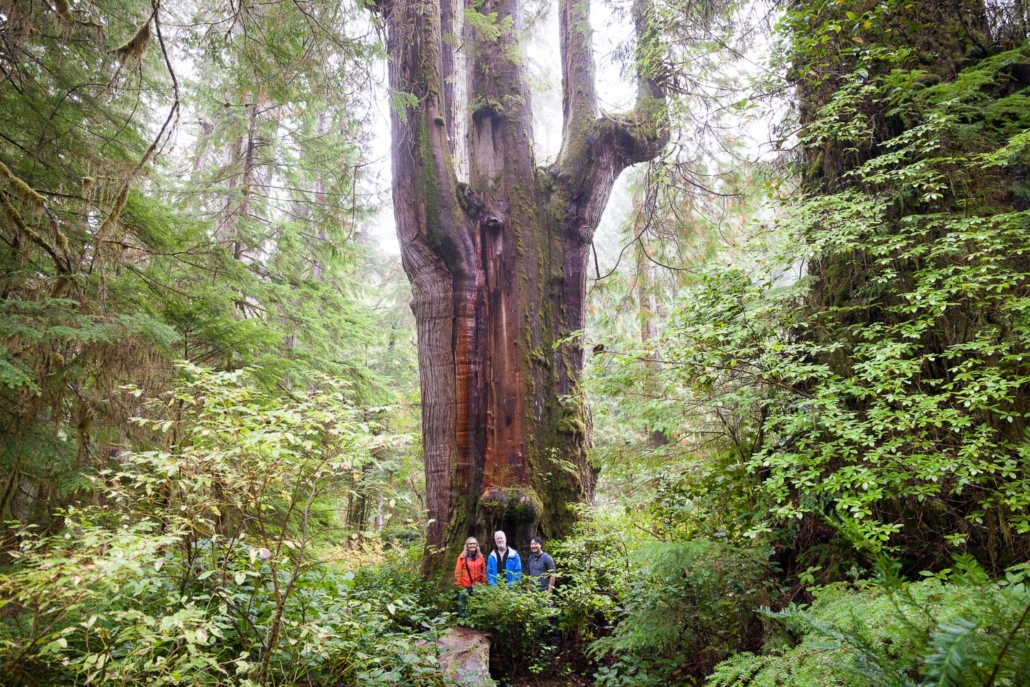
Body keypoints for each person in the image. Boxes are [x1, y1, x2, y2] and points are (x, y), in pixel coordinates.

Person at [527, 536, 561, 652]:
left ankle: (556, 645)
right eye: (532, 544)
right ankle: (539, 646)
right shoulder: (531, 559)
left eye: (536, 544)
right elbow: (530, 575)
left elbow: (553, 575)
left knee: (552, 619)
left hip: (545, 593)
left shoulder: (547, 558)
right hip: (534, 595)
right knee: (537, 620)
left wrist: (549, 591)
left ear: (540, 544)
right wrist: (529, 590)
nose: (533, 546)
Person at [454, 537, 486, 617]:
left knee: (476, 605)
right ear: (467, 545)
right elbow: (458, 572)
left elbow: (484, 571)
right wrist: (460, 585)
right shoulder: (462, 557)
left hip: (477, 586)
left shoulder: (480, 557)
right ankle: (463, 622)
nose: (472, 545)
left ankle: (474, 622)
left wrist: (483, 583)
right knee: (463, 605)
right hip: (465, 586)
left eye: (474, 544)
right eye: (470, 544)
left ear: (477, 545)